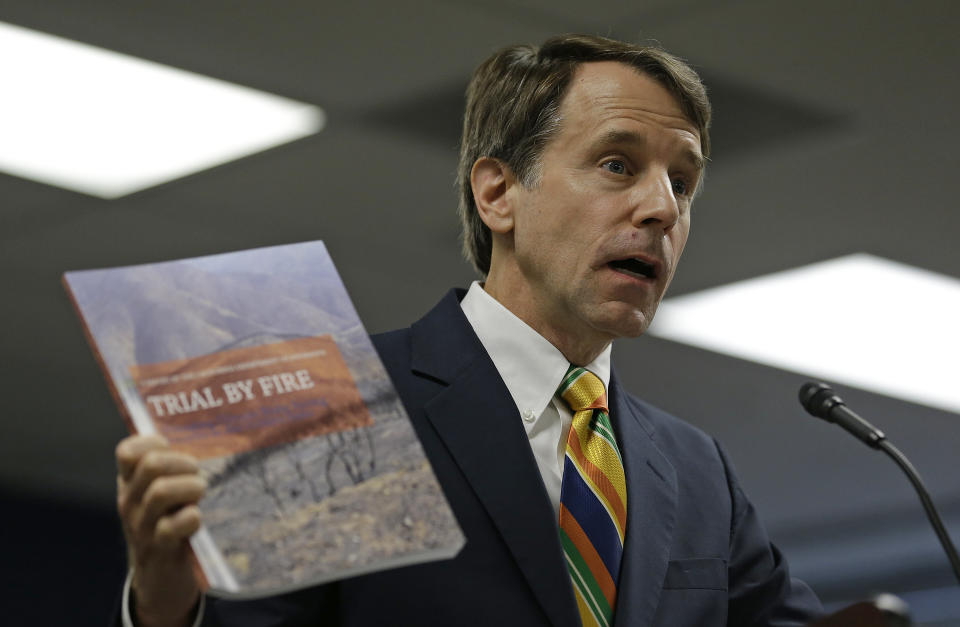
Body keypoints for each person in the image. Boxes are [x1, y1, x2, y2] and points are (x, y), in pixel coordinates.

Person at [114, 34, 823, 626]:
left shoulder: (700, 471)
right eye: (618, 164)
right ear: (498, 193)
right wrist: (168, 604)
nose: (662, 207)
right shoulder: (326, 401)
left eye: (683, 183)